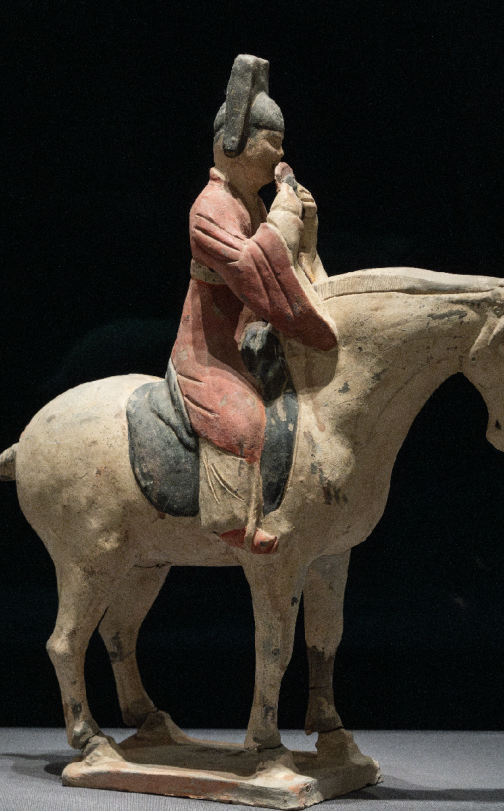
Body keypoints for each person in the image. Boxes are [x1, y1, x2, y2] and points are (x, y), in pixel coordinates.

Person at [170, 55, 337, 554]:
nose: (281, 155)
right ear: (236, 143)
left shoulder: (252, 204)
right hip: (209, 350)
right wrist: (285, 215)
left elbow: (282, 263)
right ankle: (229, 520)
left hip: (248, 338)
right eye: (274, 143)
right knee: (240, 417)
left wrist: (304, 225)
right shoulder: (210, 208)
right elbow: (252, 271)